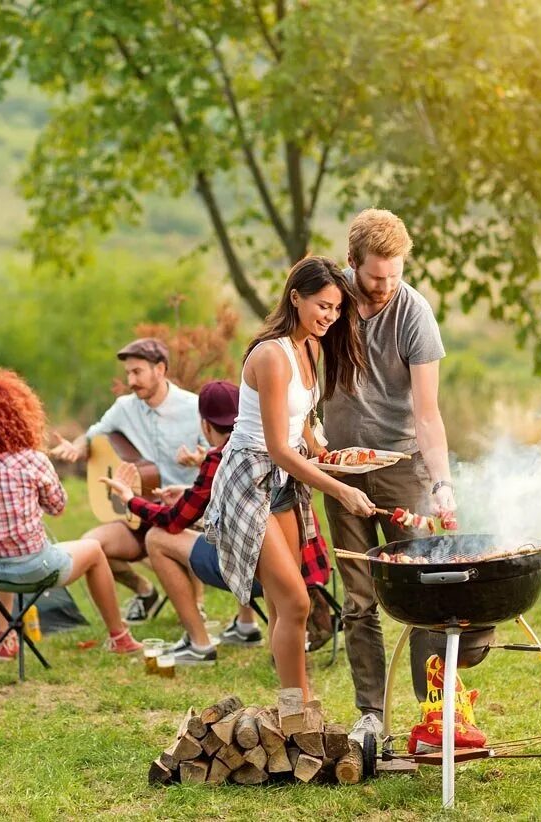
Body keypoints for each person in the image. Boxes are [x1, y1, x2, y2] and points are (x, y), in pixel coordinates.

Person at [205, 255, 375, 701]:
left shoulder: (309, 347)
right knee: (298, 603)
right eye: (322, 305)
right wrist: (340, 487)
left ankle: (292, 704)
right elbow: (277, 446)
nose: (330, 317)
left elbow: (297, 422)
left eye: (337, 309)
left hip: (283, 483)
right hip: (249, 481)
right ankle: (297, 708)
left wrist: (324, 453)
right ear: (295, 297)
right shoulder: (272, 355)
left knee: (288, 604)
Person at [320, 208, 460, 743]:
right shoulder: (330, 305)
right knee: (358, 600)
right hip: (342, 470)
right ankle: (371, 716)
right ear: (352, 263)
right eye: (375, 276)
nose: (384, 286)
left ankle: (434, 713)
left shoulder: (414, 313)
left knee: (423, 593)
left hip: (405, 469)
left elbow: (427, 411)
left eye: (394, 274)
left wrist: (442, 483)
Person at [0, 367, 142, 661]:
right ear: (22, 415)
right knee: (95, 551)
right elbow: (58, 507)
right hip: (36, 568)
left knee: (0, 553)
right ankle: (120, 637)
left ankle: (5, 640)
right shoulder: (33, 462)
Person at [102, 380, 271, 664]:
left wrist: (130, 499)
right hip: (292, 569)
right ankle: (245, 626)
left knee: (157, 538)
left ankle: (198, 643)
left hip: (255, 574)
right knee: (237, 526)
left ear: (205, 426)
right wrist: (186, 493)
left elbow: (174, 520)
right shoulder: (266, 443)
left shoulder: (219, 457)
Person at [50, 338, 205, 624]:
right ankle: (144, 591)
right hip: (139, 510)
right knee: (90, 546)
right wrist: (77, 446)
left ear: (160, 369)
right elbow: (94, 433)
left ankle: (195, 606)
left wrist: (199, 458)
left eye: (137, 372)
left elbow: (216, 456)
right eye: (128, 373)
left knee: (167, 541)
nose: (131, 380)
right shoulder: (124, 407)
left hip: (181, 512)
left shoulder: (194, 407)